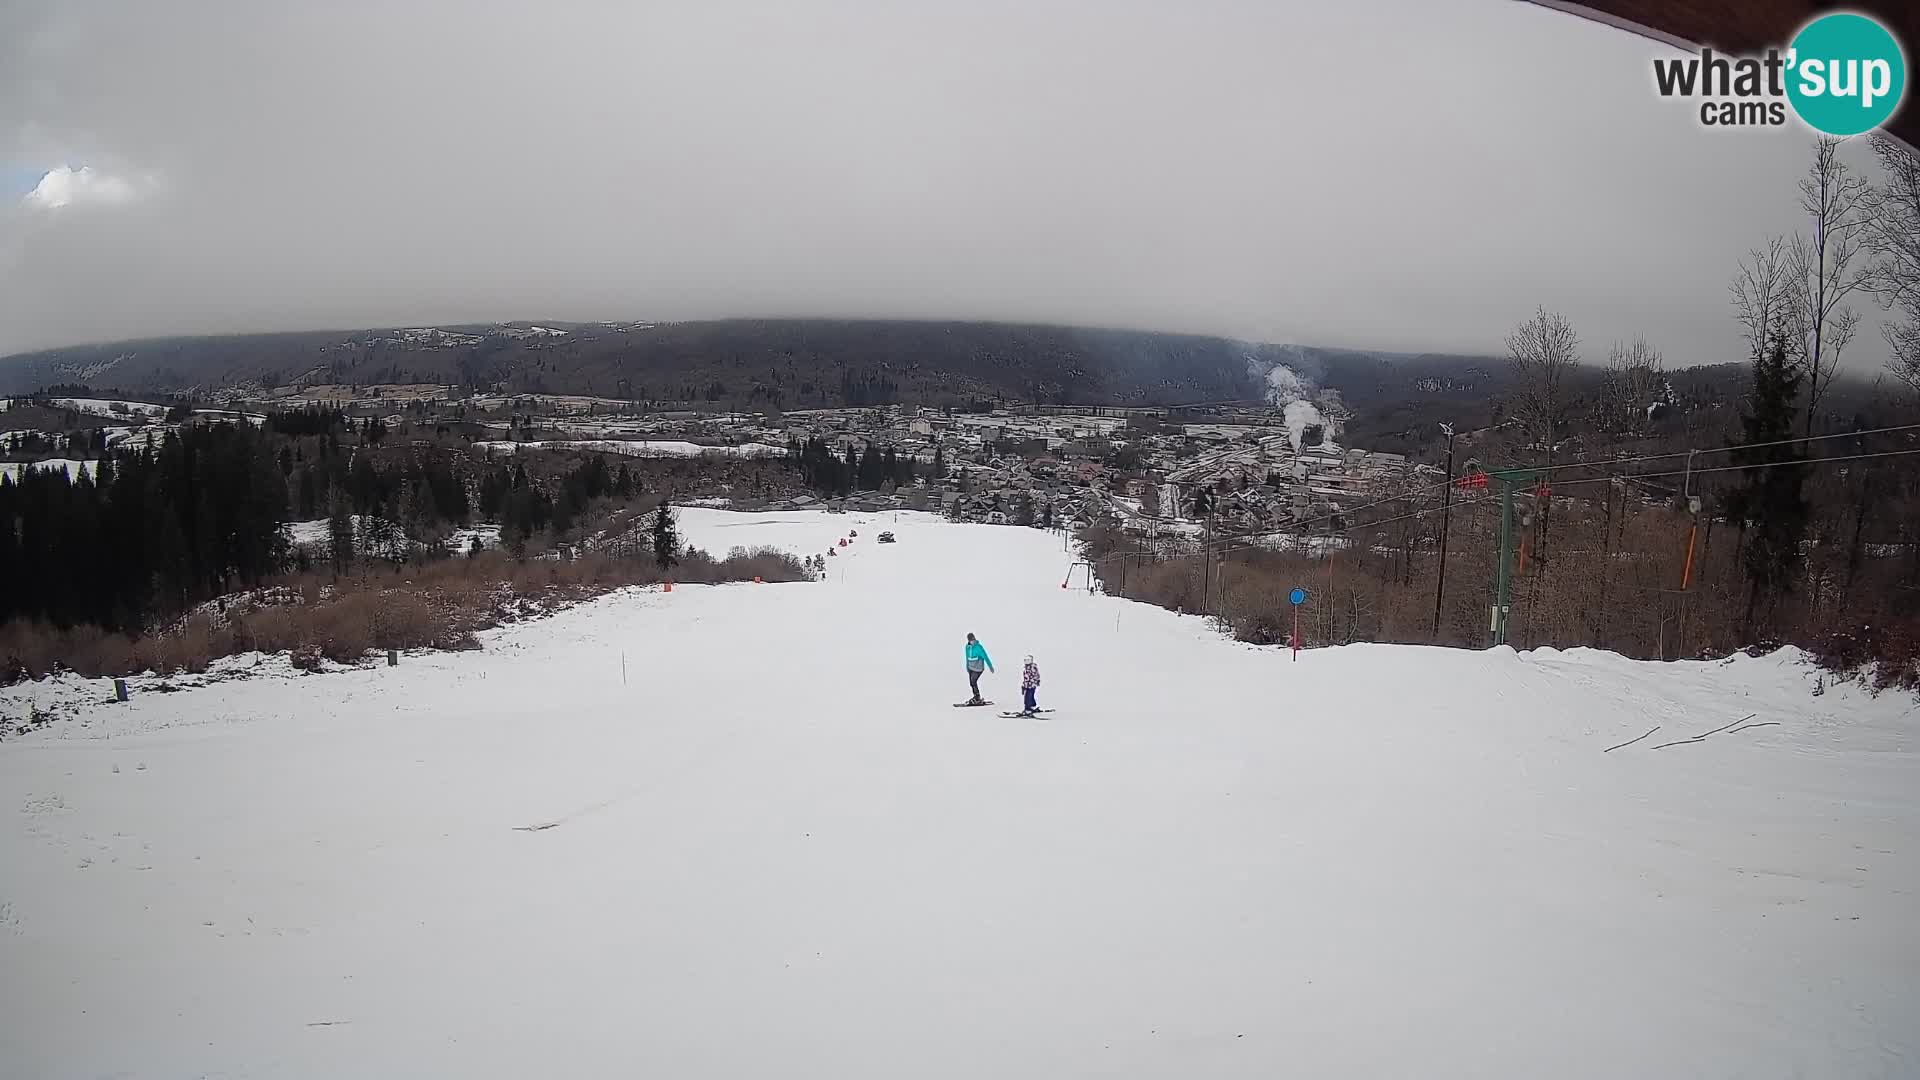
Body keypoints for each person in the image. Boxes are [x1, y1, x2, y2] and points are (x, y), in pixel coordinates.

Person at [964, 632, 994, 704]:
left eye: (973, 639)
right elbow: (967, 657)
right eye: (971, 640)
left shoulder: (979, 647)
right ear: (968, 640)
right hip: (971, 668)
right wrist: (967, 666)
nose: (972, 641)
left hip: (978, 668)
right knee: (971, 683)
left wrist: (990, 666)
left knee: (973, 681)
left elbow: (985, 656)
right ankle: (976, 696)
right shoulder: (967, 647)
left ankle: (977, 697)